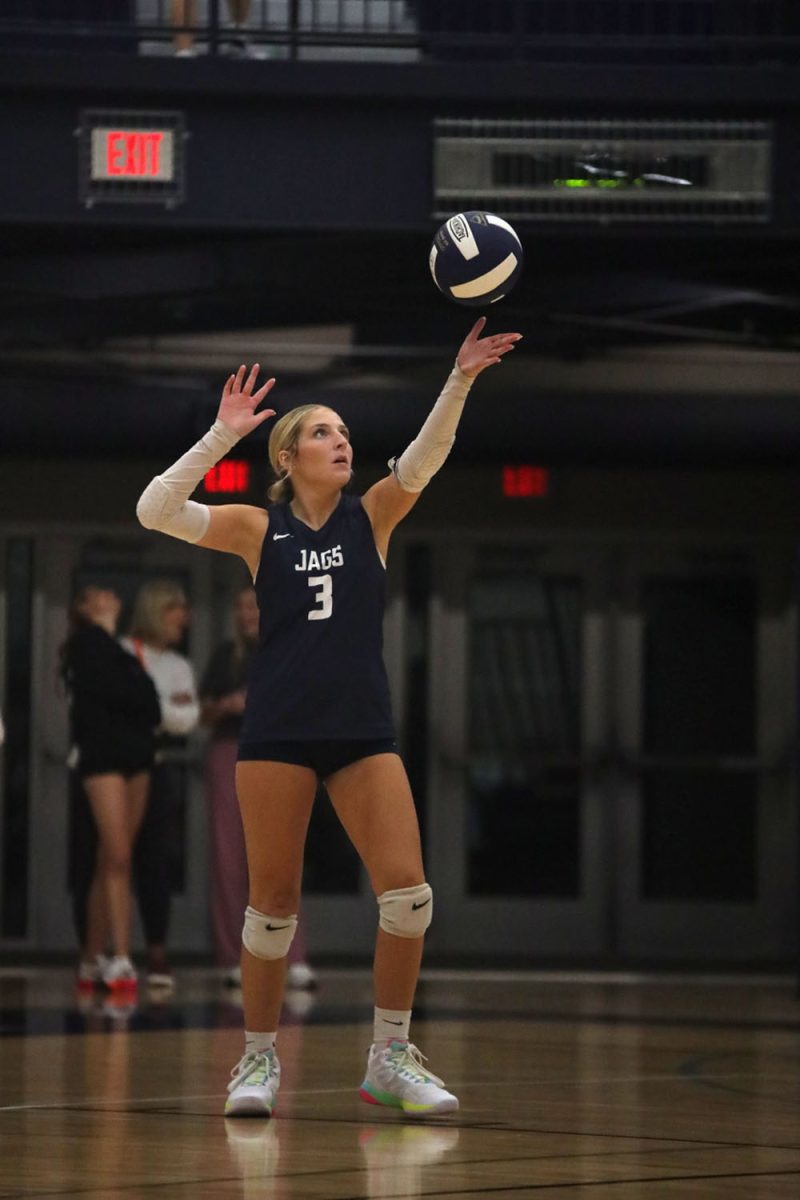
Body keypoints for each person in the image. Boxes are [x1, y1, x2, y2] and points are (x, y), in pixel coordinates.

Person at [136, 315, 521, 1117]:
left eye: (344, 431)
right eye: (321, 432)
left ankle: (389, 1055)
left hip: (359, 731)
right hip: (276, 731)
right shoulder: (256, 526)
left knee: (409, 895)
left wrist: (460, 378)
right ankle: (257, 1060)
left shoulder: (371, 515)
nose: (340, 441)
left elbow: (428, 457)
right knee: (272, 904)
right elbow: (154, 509)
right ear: (288, 457)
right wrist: (220, 433)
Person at [200, 582, 316, 991]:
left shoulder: (288, 648)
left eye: (254, 607)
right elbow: (203, 711)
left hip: (278, 751)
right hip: (230, 749)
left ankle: (292, 955)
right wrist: (226, 705)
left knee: (279, 855)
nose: (247, 615)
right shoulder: (223, 657)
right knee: (230, 858)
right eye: (240, 608)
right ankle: (236, 955)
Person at [62, 585, 161, 993]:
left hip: (137, 758)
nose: (110, 595)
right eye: (99, 592)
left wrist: (136, 696)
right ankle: (120, 956)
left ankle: (91, 957)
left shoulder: (124, 651)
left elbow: (152, 705)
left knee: (113, 859)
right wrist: (135, 695)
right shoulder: (84, 645)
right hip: (102, 758)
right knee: (118, 854)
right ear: (84, 605)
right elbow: (120, 693)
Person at [121, 579, 201, 992]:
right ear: (157, 610)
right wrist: (163, 706)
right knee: (111, 857)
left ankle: (156, 950)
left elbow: (186, 721)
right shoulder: (122, 653)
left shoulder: (179, 665)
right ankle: (107, 952)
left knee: (157, 860)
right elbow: (112, 708)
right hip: (117, 766)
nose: (184, 619)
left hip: (160, 766)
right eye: (176, 610)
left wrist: (148, 705)